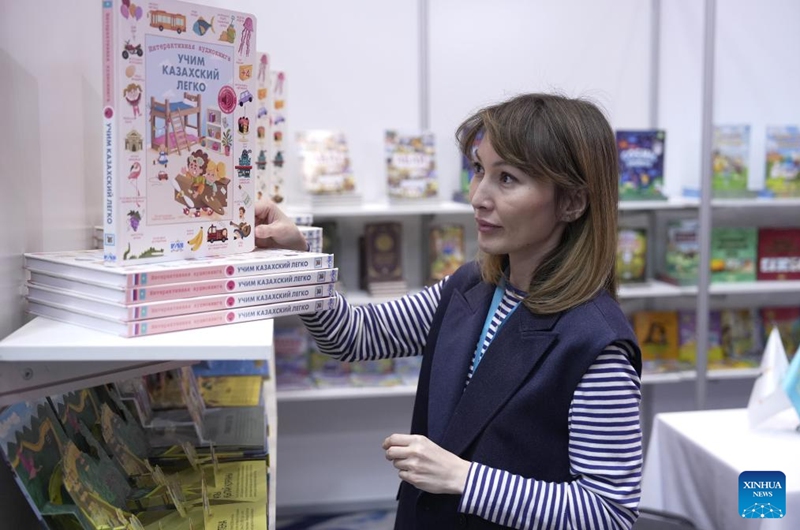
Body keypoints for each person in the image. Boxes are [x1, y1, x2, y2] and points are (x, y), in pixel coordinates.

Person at [254, 93, 643, 530]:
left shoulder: (596, 343)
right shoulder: (471, 286)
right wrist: (301, 257)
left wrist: (463, 478)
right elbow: (353, 336)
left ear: (572, 202)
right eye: (479, 170)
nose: (477, 196)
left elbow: (609, 513)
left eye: (508, 179)